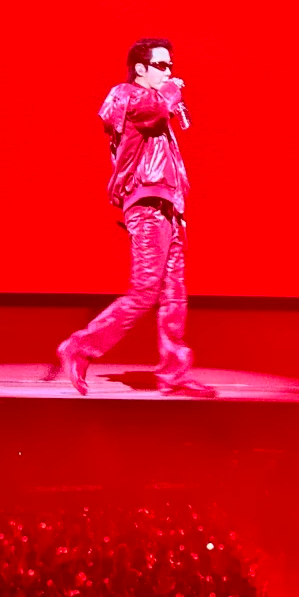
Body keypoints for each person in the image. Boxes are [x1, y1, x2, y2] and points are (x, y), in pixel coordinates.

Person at [55, 38, 212, 397]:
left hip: (168, 207)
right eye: (161, 65)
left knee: (174, 296)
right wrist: (171, 92)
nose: (169, 72)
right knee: (144, 291)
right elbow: (152, 111)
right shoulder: (125, 96)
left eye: (171, 65)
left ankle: (173, 374)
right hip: (146, 205)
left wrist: (178, 210)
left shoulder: (158, 104)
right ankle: (79, 347)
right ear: (140, 68)